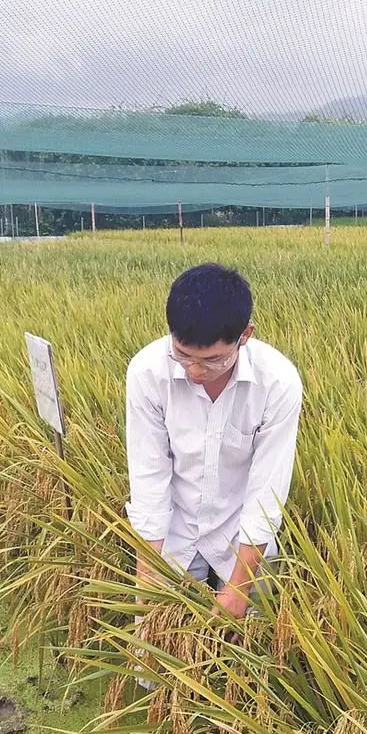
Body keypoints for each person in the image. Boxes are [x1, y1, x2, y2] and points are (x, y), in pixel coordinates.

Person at [125, 262, 302, 622]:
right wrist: (147, 576)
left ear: (245, 335)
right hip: (174, 534)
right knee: (155, 653)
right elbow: (149, 480)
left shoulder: (278, 383)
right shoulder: (147, 372)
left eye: (212, 360)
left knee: (251, 651)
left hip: (243, 536)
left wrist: (239, 587)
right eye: (183, 354)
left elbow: (267, 492)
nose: (194, 371)